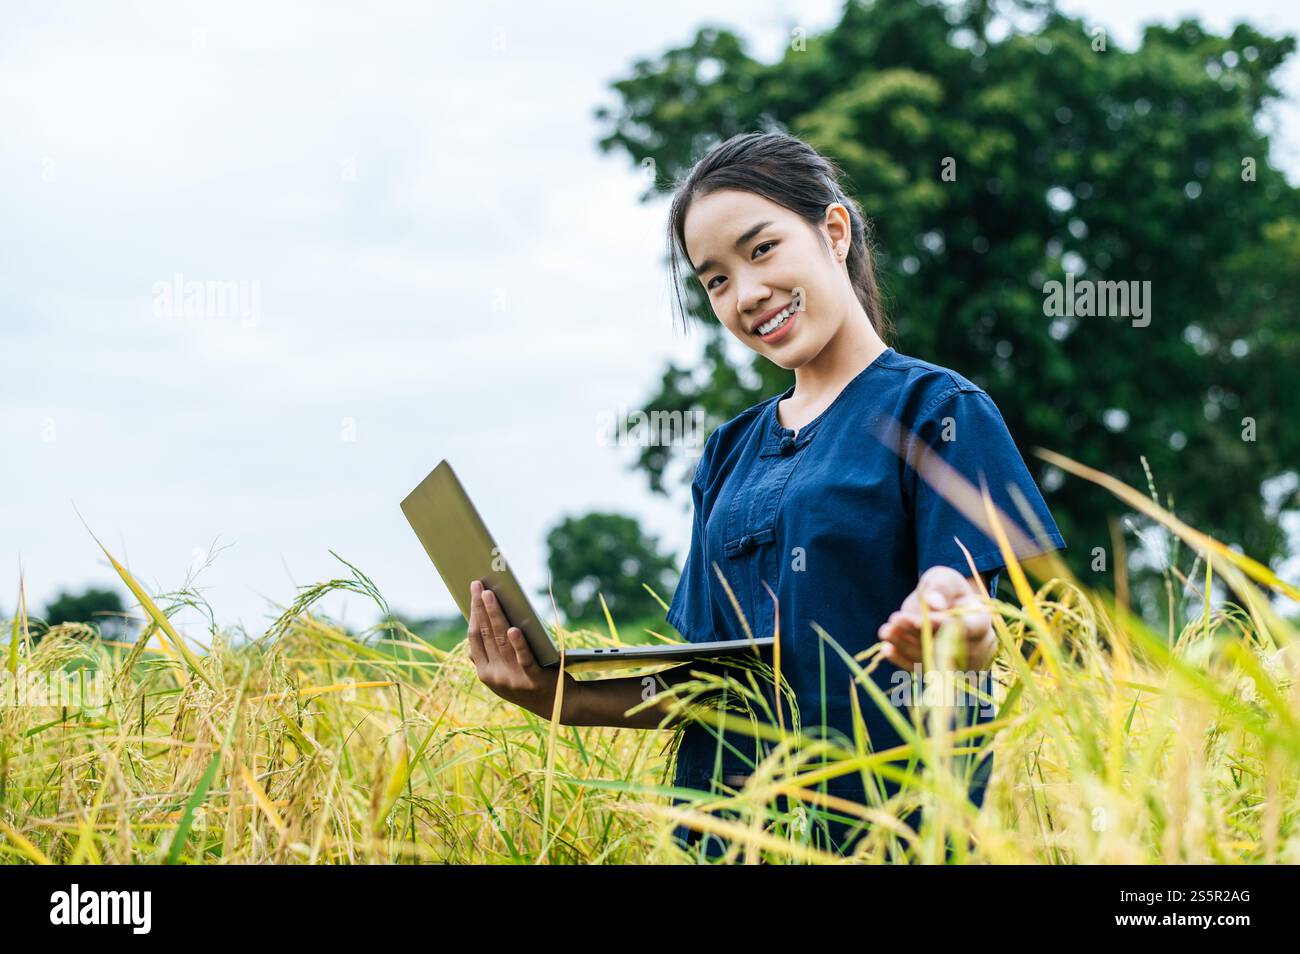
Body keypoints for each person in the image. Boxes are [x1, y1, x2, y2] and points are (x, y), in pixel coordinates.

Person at [463, 130, 1067, 863]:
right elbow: (706, 685)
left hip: (886, 839)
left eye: (762, 250)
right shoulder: (727, 451)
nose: (746, 295)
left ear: (834, 232)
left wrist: (955, 620)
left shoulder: (939, 410)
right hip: (728, 843)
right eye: (714, 279)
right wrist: (548, 693)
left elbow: (996, 623)